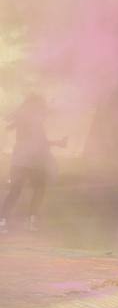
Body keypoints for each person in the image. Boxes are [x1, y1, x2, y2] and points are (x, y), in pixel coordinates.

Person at [1, 94, 66, 234]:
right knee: (38, 189)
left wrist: (56, 143)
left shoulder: (23, 118)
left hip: (19, 161)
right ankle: (29, 220)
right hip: (31, 162)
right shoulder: (32, 121)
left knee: (16, 191)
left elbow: (37, 141)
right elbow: (39, 142)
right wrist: (58, 143)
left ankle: (4, 220)